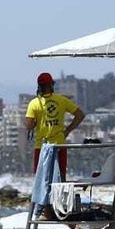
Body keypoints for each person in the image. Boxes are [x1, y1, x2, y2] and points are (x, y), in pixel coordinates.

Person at [25, 73, 85, 213]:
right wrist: (67, 131)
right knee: (61, 177)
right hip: (60, 144)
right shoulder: (62, 100)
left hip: (43, 146)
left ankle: (47, 212)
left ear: (39, 86)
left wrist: (35, 123)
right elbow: (80, 115)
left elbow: (28, 126)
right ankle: (61, 210)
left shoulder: (34, 103)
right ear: (52, 85)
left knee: (43, 179)